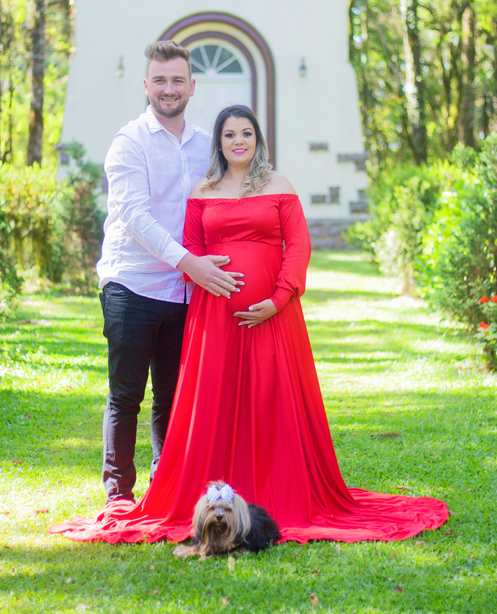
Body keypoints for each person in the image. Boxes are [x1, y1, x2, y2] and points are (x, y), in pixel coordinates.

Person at [51, 105, 448, 543]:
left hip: (274, 320)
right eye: (229, 134)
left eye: (246, 133)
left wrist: (277, 300)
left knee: (270, 397)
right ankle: (198, 492)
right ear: (218, 143)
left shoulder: (279, 185)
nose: (238, 141)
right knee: (213, 403)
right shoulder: (203, 189)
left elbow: (298, 246)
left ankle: (281, 490)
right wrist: (203, 271)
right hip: (215, 318)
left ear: (258, 139)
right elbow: (191, 248)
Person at [93, 41, 244, 503]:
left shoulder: (207, 146)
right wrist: (190, 263)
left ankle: (165, 488)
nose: (169, 88)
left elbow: (228, 200)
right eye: (160, 80)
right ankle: (119, 493)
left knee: (174, 397)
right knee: (126, 395)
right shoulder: (129, 142)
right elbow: (136, 218)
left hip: (185, 293)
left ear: (192, 86)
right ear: (146, 85)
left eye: (178, 80)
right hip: (132, 284)